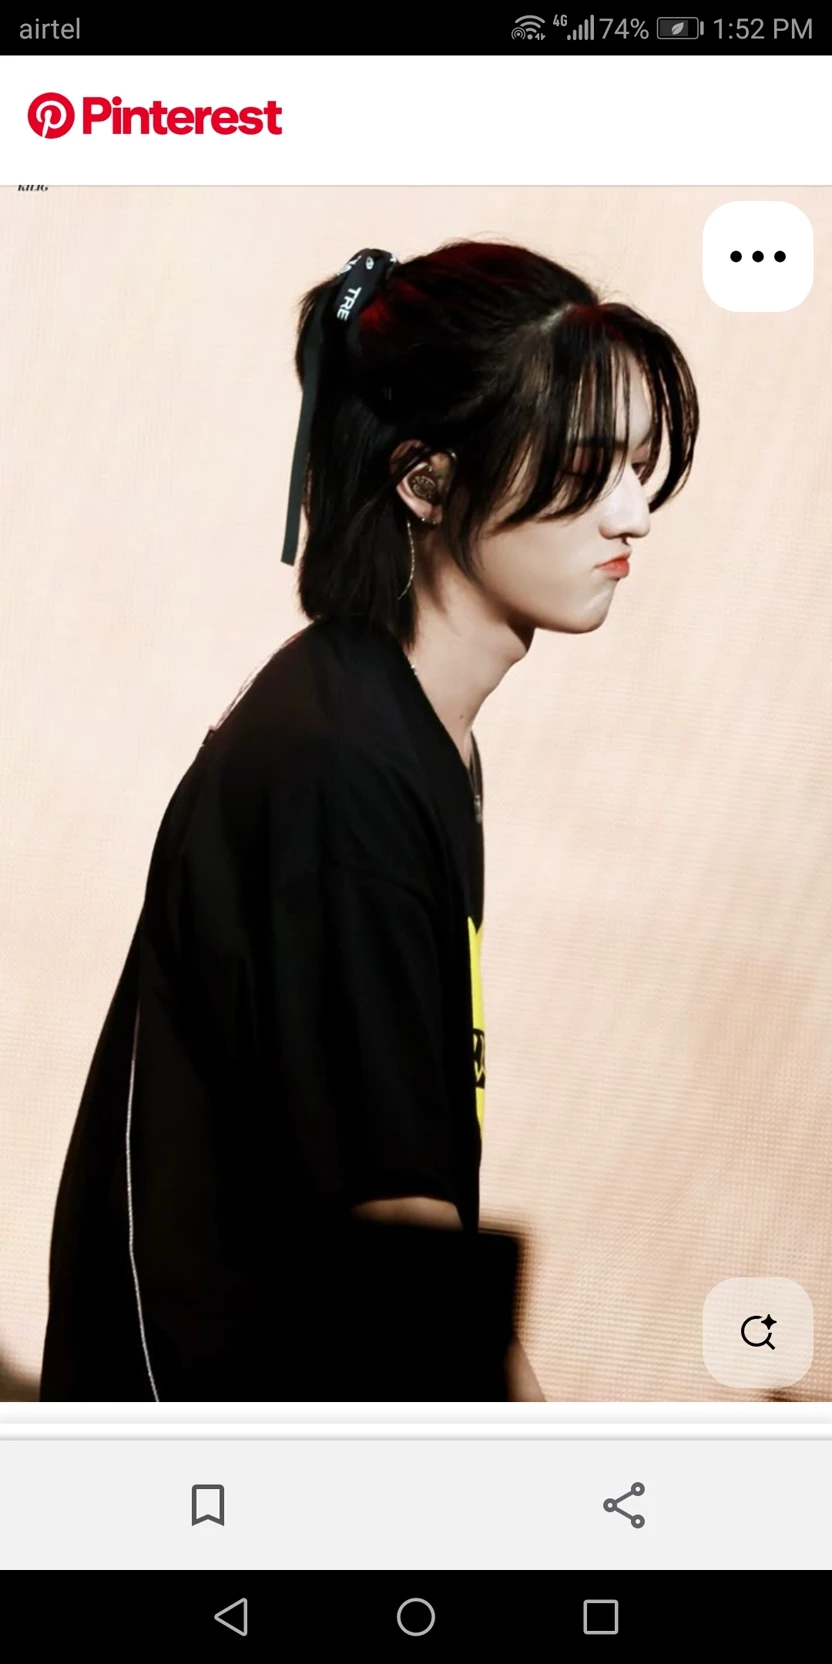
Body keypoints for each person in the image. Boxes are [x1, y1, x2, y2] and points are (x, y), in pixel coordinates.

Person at [40, 239, 699, 1402]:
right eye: (587, 468)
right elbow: (403, 1250)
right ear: (426, 482)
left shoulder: (399, 730)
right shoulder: (342, 764)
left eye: (642, 468)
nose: (633, 515)